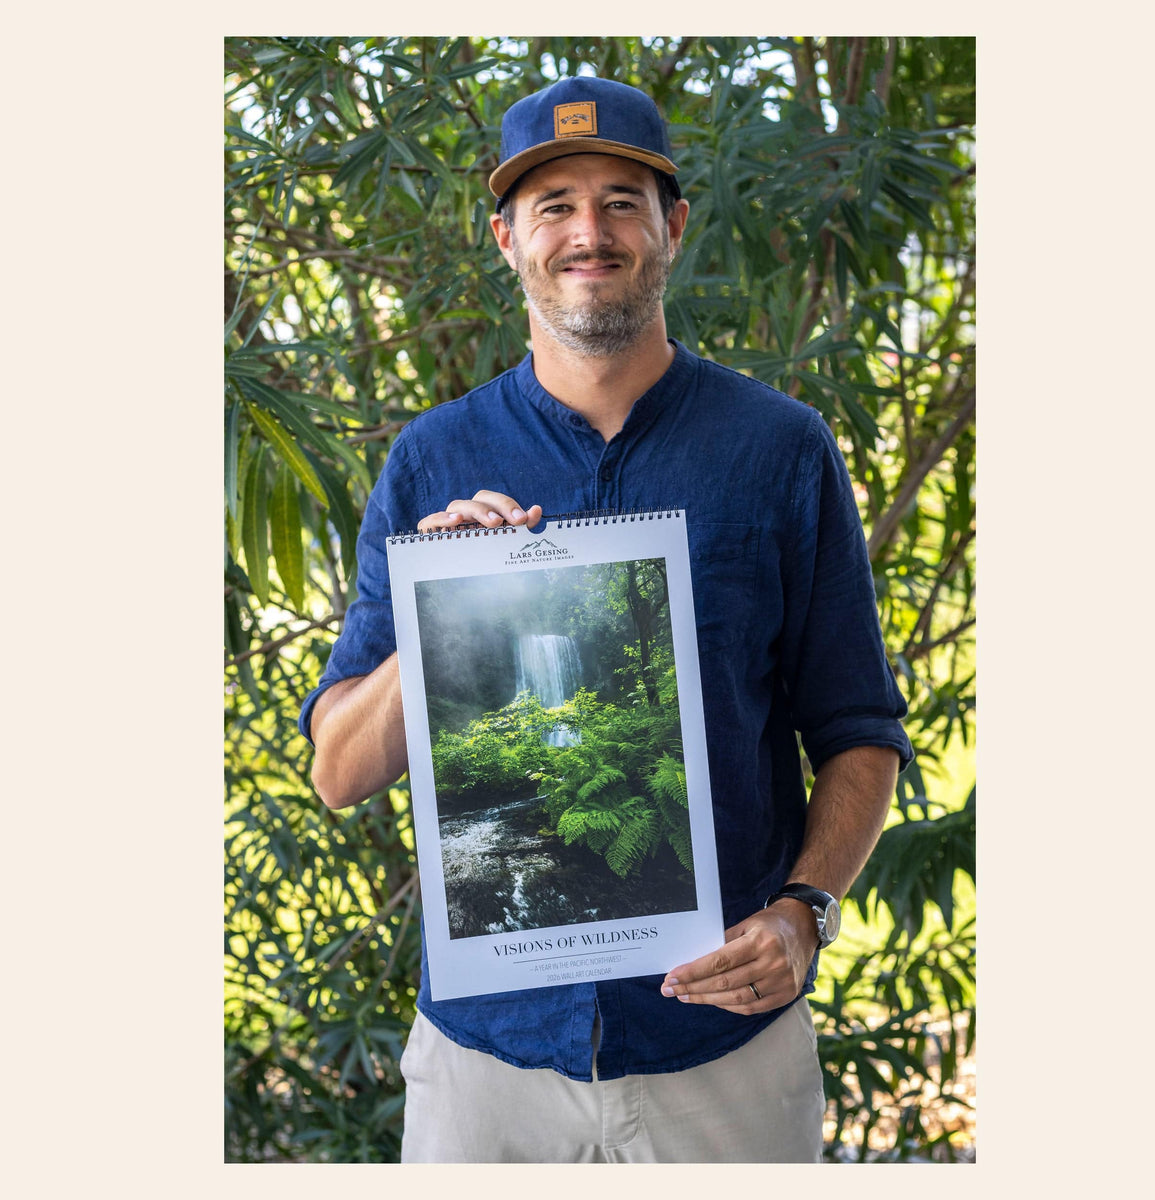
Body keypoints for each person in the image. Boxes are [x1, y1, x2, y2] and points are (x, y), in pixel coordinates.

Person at [300, 74, 913, 1163]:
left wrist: (805, 911)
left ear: (672, 226)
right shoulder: (431, 459)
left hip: (722, 1049)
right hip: (488, 1064)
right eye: (555, 206)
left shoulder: (779, 449)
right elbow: (340, 772)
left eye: (622, 202)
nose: (590, 233)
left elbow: (860, 730)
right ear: (507, 239)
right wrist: (440, 603)